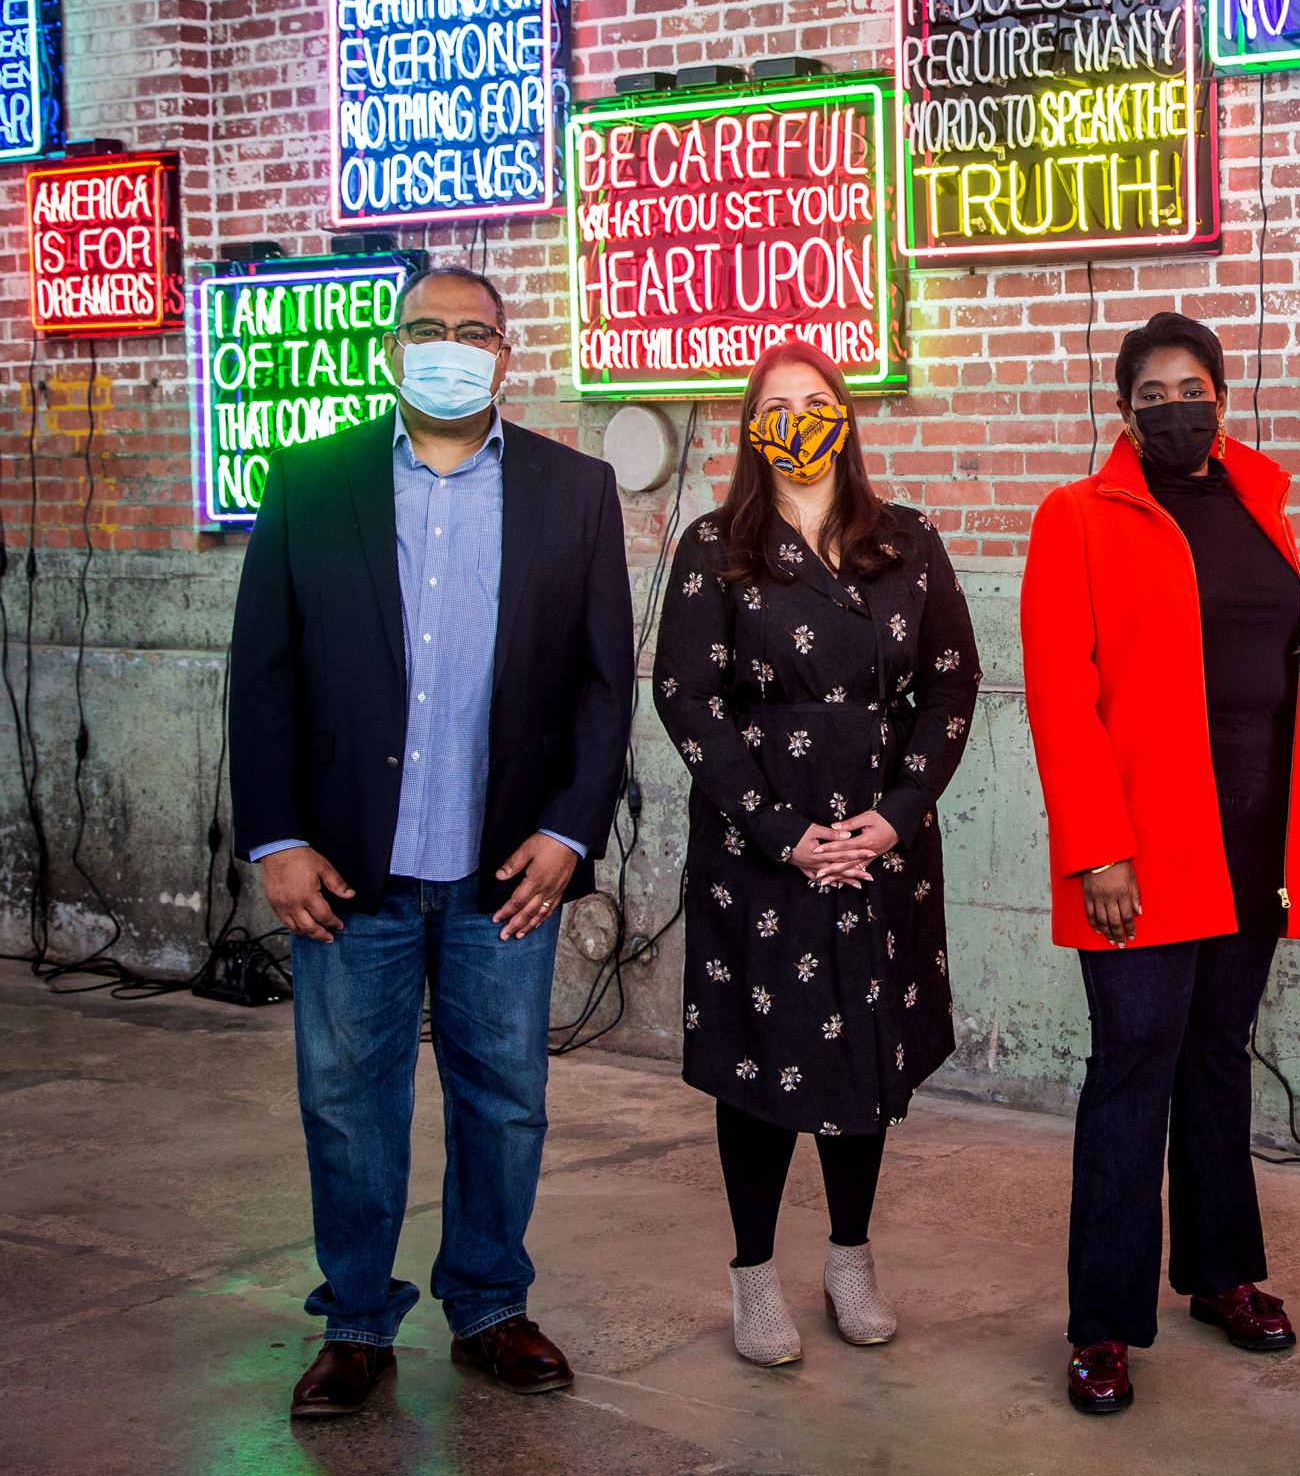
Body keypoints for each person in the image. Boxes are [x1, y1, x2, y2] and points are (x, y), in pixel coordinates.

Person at [229, 266, 634, 1418]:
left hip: (507, 866)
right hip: (350, 867)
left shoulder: (575, 487)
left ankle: (490, 1303)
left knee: (504, 1095)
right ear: (391, 348)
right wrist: (278, 838)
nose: (450, 346)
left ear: (507, 353)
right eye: (427, 329)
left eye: (474, 332)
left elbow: (607, 683)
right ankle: (356, 1320)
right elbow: (262, 673)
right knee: (348, 1101)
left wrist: (570, 828)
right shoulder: (311, 480)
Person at [1021, 311, 1300, 1415]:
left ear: (1222, 393)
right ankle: (1103, 1323)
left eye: (1193, 384)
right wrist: (1098, 848)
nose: (1176, 404)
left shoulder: (1262, 507)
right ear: (1123, 409)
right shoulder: (1077, 516)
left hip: (1254, 844)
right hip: (1141, 851)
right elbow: (1060, 697)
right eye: (1153, 391)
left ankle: (1221, 1273)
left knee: (1218, 1052)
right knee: (1133, 1067)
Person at [654, 341, 980, 1366]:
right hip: (760, 845)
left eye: (815, 400)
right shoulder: (715, 543)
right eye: (775, 404)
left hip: (881, 840)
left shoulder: (907, 541)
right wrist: (778, 829)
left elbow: (952, 681)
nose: (796, 417)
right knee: (761, 1056)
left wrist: (901, 808)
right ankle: (754, 1273)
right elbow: (684, 695)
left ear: (844, 415)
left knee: (864, 1049)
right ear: (752, 427)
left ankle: (850, 1255)